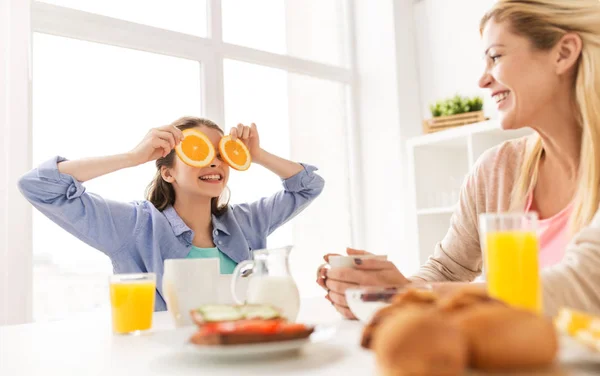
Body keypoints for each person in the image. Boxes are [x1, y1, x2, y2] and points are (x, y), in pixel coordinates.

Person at [318, 0, 600, 318]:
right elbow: (448, 271)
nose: (482, 80)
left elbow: (580, 286)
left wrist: (413, 295)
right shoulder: (497, 170)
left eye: (495, 57)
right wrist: (380, 295)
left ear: (563, 54)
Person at [19, 116, 324, 311]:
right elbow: (38, 185)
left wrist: (257, 155)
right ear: (168, 173)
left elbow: (308, 186)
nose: (214, 162)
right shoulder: (134, 227)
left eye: (221, 153)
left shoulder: (246, 222)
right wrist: (132, 157)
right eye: (199, 152)